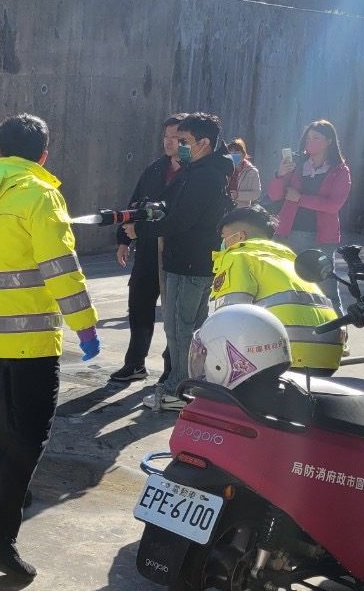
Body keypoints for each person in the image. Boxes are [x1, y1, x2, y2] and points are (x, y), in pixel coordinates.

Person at [0, 113, 101, 580]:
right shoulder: (40, 195)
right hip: (31, 334)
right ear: (44, 155)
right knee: (30, 431)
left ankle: (8, 489)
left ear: (0, 151)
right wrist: (86, 326)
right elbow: (60, 266)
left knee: (7, 414)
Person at [134, 111, 234, 412]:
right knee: (188, 327)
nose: (179, 146)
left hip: (191, 263)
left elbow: (181, 221)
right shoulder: (198, 171)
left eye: (185, 141)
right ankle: (186, 382)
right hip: (189, 261)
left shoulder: (205, 176)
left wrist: (140, 228)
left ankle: (179, 387)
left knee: (180, 328)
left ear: (205, 143)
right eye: (177, 140)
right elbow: (174, 209)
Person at [210, 206, 343, 375]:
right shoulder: (289, 259)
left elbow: (229, 315)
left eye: (224, 237)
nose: (223, 244)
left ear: (241, 236)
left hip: (284, 352)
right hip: (328, 352)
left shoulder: (238, 256)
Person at [111, 112, 186, 383]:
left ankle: (172, 369)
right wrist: (124, 238)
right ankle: (134, 364)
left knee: (175, 315)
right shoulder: (155, 169)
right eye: (166, 137)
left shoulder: (195, 173)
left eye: (176, 137)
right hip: (146, 252)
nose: (169, 143)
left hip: (178, 253)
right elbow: (135, 205)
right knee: (139, 304)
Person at [267, 120, 351, 314]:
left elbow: (333, 205)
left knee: (326, 288)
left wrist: (300, 199)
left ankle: (337, 331)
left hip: (320, 237)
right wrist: (280, 174)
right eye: (308, 137)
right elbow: (274, 195)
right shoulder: (296, 164)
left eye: (316, 138)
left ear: (329, 141)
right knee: (285, 284)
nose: (310, 142)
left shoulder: (340, 170)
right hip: (287, 233)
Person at [227, 138, 262, 206]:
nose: (233, 155)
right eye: (231, 153)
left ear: (243, 154)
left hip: (241, 211)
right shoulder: (224, 169)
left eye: (236, 152)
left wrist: (238, 195)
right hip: (223, 209)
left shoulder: (252, 172)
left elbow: (257, 193)